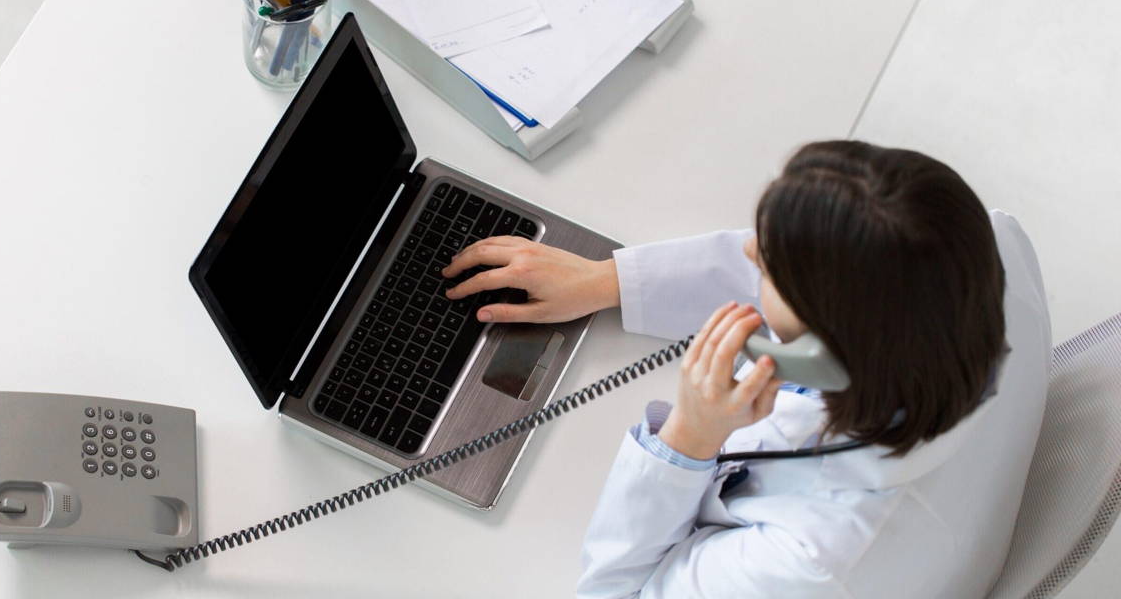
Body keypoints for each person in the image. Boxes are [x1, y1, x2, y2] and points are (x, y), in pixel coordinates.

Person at [440, 141, 1051, 597]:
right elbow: (837, 260)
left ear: (825, 348)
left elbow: (615, 592)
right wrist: (608, 280)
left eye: (767, 267)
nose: (748, 250)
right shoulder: (981, 252)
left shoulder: (812, 563)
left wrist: (689, 438)